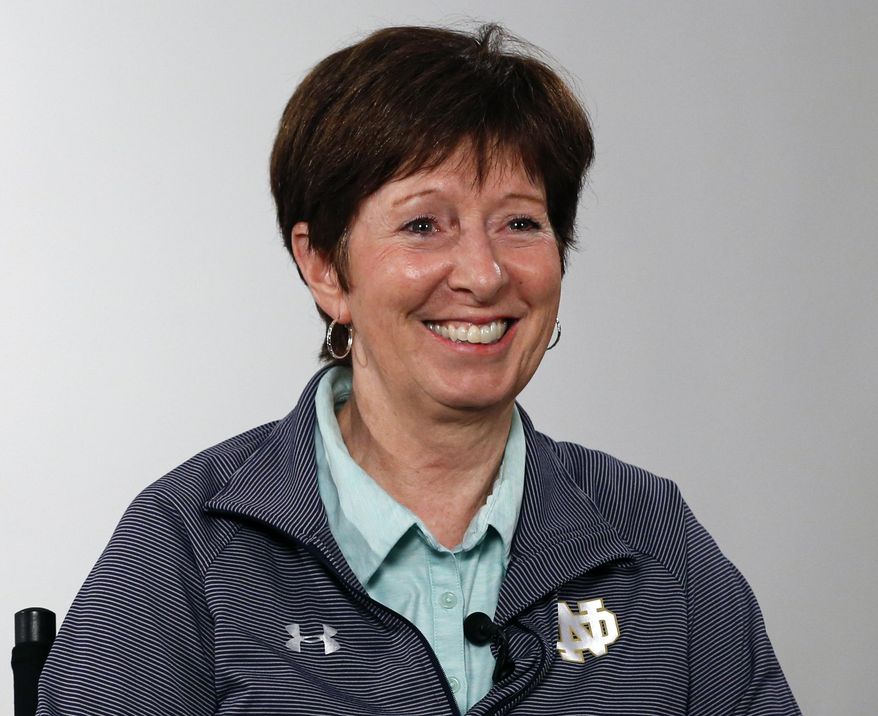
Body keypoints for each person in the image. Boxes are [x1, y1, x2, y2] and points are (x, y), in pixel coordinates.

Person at [37, 24, 800, 715]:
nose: (484, 272)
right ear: (325, 267)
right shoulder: (187, 548)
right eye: (424, 224)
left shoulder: (651, 538)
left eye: (521, 223)